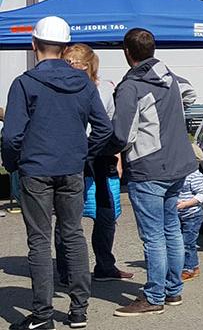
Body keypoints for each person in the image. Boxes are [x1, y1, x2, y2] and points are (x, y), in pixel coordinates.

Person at [1, 16, 112, 330]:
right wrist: (83, 153)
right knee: (74, 236)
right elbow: (104, 128)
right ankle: (79, 312)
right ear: (65, 48)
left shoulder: (24, 83)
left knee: (39, 241)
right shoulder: (83, 84)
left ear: (33, 44)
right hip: (71, 169)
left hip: (36, 169)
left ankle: (43, 315)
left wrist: (13, 164)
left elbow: (11, 136)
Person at [106, 28, 198, 317]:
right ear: (153, 49)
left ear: (126, 52)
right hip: (177, 164)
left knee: (154, 236)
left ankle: (154, 296)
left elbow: (122, 136)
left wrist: (101, 146)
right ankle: (172, 291)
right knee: (171, 228)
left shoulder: (130, 86)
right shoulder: (168, 77)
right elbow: (191, 93)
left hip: (149, 168)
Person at [54, 44, 134, 287]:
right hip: (72, 158)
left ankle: (105, 265)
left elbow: (111, 125)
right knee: (69, 217)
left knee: (106, 214)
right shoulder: (58, 89)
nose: (70, 68)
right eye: (67, 63)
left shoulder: (105, 89)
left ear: (88, 66)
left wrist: (117, 157)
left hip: (100, 158)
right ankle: (66, 271)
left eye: (74, 63)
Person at [177, 144, 203, 282]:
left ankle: (190, 268)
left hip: (192, 215)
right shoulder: (179, 174)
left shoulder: (195, 176)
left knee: (187, 243)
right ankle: (186, 266)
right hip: (179, 214)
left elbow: (201, 195)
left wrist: (185, 204)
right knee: (179, 241)